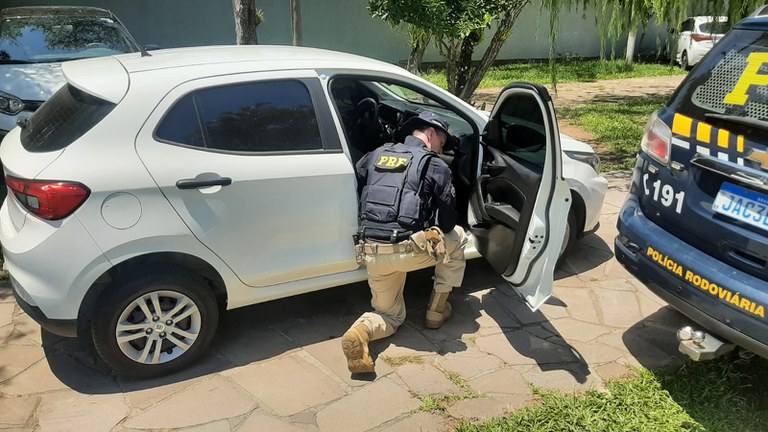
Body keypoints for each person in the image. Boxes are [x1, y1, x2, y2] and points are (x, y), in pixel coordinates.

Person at [342, 111, 467, 374]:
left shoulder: (374, 155)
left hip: (371, 251)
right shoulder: (435, 164)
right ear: (431, 133)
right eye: (442, 142)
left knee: (389, 315)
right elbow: (446, 223)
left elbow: (361, 184)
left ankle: (360, 332)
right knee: (458, 236)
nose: (442, 148)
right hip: (410, 251)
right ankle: (437, 310)